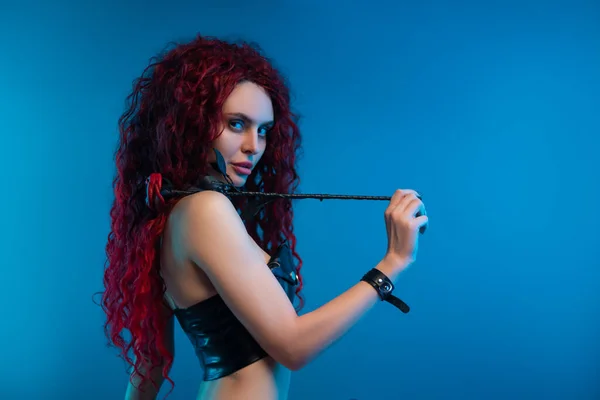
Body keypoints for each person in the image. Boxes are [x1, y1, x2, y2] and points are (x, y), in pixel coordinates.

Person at [101, 34, 428, 400]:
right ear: (192, 122)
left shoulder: (175, 216)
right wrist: (392, 264)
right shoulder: (205, 209)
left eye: (264, 130)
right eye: (237, 124)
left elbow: (151, 365)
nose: (253, 146)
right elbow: (292, 346)